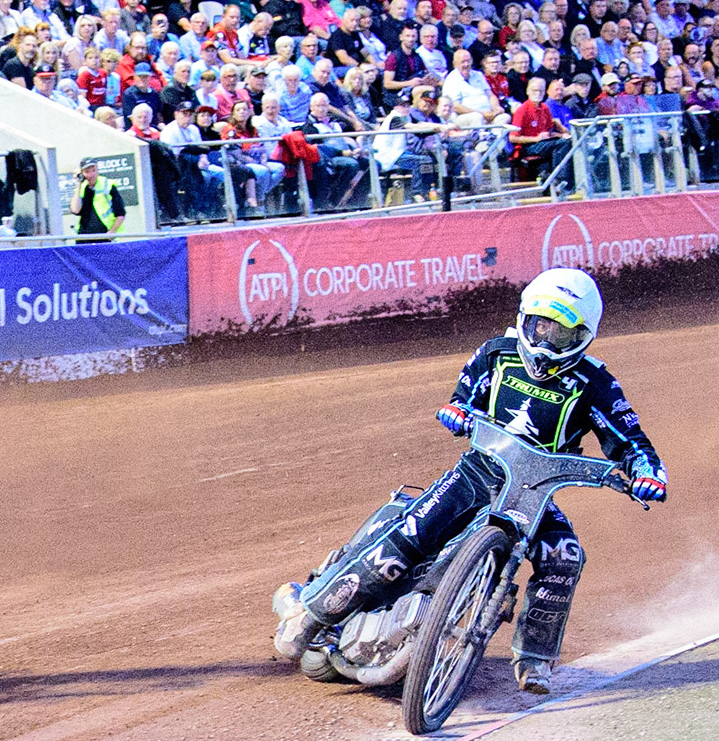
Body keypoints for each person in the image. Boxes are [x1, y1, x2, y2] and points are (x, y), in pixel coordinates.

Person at [273, 269, 668, 695]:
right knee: (407, 537)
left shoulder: (596, 384)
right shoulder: (497, 354)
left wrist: (648, 472)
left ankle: (535, 660)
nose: (547, 341)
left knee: (565, 557)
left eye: (562, 334)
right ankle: (310, 615)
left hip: (535, 495)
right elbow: (463, 394)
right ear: (524, 319)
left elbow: (631, 440)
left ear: (584, 335)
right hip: (475, 473)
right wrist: (456, 409)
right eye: (541, 326)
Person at [67, 159, 127, 236]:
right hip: (85, 236)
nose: (91, 175)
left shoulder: (108, 185)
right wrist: (78, 183)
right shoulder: (82, 187)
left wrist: (112, 231)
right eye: (87, 172)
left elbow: (121, 214)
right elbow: (75, 210)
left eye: (93, 170)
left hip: (105, 234)